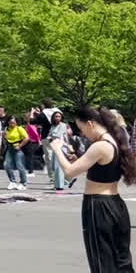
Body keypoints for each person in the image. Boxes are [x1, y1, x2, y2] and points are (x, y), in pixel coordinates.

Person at [49, 106, 136, 273]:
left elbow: (69, 172)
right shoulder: (115, 140)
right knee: (121, 259)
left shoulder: (100, 146)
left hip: (99, 205)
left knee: (102, 260)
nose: (83, 134)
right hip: (115, 204)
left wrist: (57, 149)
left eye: (82, 129)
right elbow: (100, 167)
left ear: (90, 124)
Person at [46, 110, 72, 191]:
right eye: (56, 116)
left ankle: (60, 185)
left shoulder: (63, 125)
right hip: (54, 147)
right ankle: (67, 181)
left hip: (61, 147)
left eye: (59, 116)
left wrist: (51, 137)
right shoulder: (52, 126)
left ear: (61, 118)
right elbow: (49, 136)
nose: (57, 118)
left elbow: (57, 135)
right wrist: (50, 138)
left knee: (58, 167)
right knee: (54, 166)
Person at [3, 116, 29, 190]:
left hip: (18, 148)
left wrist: (20, 146)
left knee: (20, 166)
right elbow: (6, 138)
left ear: (16, 123)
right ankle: (12, 182)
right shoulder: (6, 129)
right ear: (8, 122)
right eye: (10, 122)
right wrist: (4, 136)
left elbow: (26, 138)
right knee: (6, 165)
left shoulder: (19, 128)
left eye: (14, 123)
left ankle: (23, 183)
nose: (12, 124)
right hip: (10, 148)